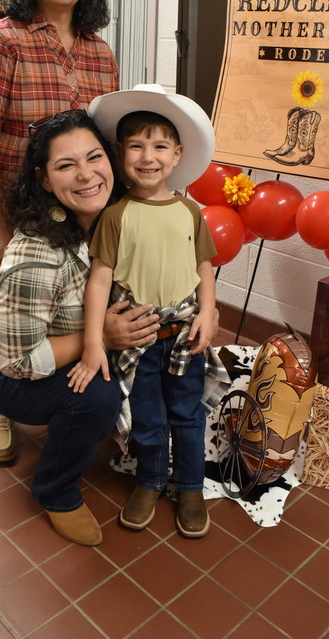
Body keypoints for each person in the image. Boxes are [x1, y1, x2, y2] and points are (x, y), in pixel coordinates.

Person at [0, 0, 136, 462]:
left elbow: (107, 139)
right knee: (4, 309)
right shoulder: (2, 41)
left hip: (82, 210)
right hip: (17, 211)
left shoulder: (99, 51)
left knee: (77, 304)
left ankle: (86, 392)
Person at [0, 109, 162, 546]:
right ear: (44, 180)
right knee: (97, 396)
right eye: (65, 165)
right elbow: (18, 361)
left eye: (94, 157)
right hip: (9, 371)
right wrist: (100, 338)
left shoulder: (112, 218)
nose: (85, 175)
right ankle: (54, 489)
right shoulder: (35, 256)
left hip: (66, 347)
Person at [70, 85, 228, 538]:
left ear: (176, 155)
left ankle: (191, 486)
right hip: (139, 339)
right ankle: (150, 479)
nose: (147, 156)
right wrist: (93, 342)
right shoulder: (116, 214)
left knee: (187, 413)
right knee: (147, 415)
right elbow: (100, 279)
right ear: (120, 153)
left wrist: (208, 311)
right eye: (136, 145)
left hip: (183, 337)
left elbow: (205, 267)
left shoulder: (190, 211)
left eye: (159, 146)